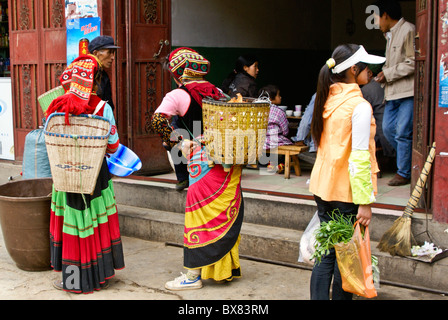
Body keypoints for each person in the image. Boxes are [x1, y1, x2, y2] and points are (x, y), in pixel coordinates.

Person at [151, 47, 244, 290]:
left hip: (201, 164)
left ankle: (192, 276)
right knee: (224, 214)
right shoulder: (220, 93)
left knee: (198, 218)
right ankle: (225, 270)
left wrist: (177, 141)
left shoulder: (178, 95)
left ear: (177, 73)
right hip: (228, 164)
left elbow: (158, 120)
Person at [309, 44, 385, 300]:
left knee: (327, 254)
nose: (371, 72)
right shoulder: (359, 106)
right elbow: (360, 157)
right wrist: (364, 202)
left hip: (323, 189)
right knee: (346, 260)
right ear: (354, 70)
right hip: (347, 195)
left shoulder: (326, 98)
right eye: (367, 67)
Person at [46, 54, 124, 294]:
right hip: (95, 176)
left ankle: (72, 281)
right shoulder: (103, 107)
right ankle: (100, 276)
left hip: (65, 176)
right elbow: (113, 146)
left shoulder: (57, 108)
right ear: (95, 81)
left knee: (73, 228)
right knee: (96, 224)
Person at [373, 0, 415, 186]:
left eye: (376, 18)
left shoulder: (408, 30)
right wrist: (384, 74)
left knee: (402, 133)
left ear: (385, 15)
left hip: (407, 91)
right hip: (391, 93)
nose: (376, 23)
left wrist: (387, 73)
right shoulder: (389, 35)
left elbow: (413, 62)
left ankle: (404, 172)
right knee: (388, 130)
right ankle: (412, 162)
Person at [361, 64, 396, 171]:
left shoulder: (367, 89)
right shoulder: (388, 85)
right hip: (393, 132)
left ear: (370, 73)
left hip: (381, 135)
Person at [260, 84, 292, 173]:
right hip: (275, 140)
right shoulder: (279, 111)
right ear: (270, 98)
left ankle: (268, 163)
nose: (280, 97)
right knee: (287, 143)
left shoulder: (257, 110)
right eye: (278, 95)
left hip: (260, 140)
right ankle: (279, 164)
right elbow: (285, 130)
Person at [88, 35, 120, 111]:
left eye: (113, 53)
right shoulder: (85, 74)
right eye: (109, 53)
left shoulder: (103, 75)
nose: (112, 57)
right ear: (96, 53)